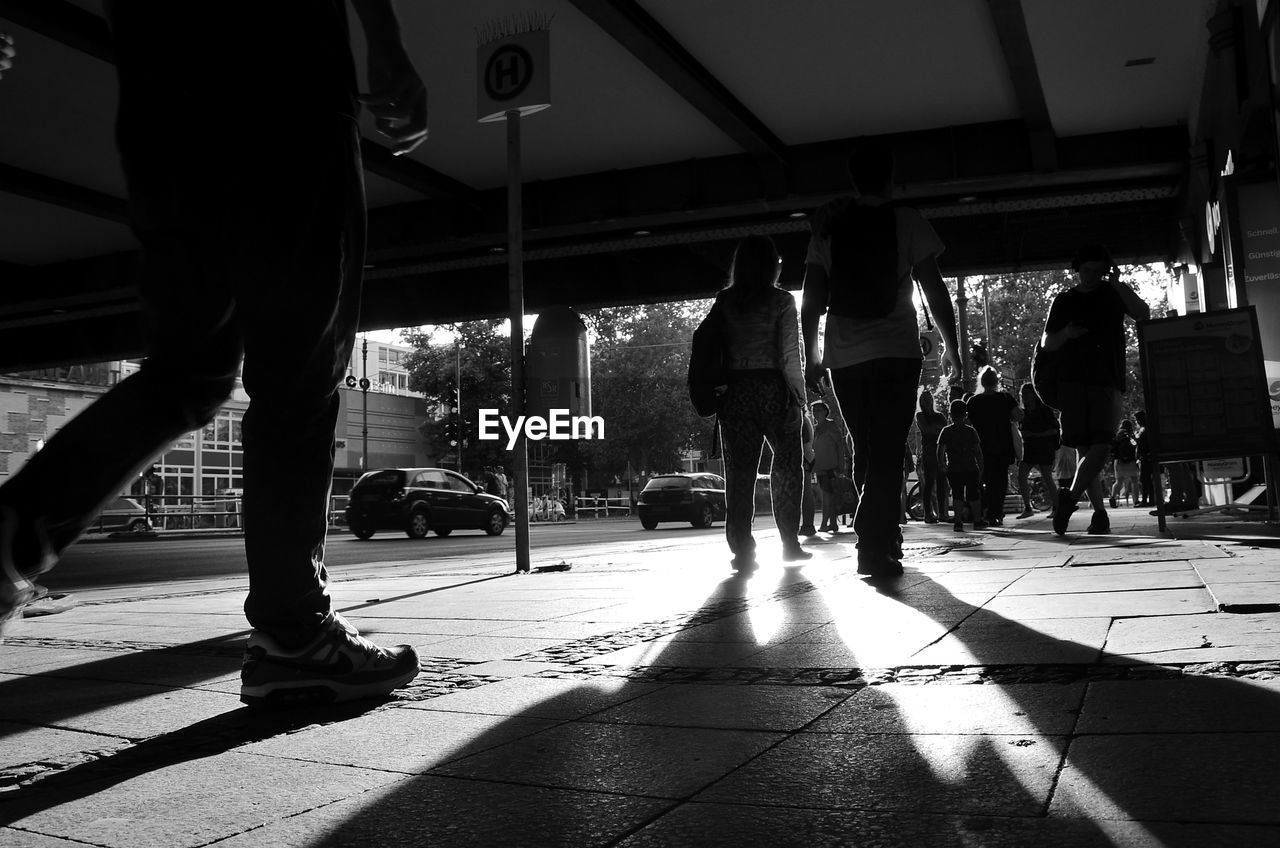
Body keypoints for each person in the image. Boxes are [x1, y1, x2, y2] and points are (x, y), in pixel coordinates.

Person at [0, 1, 430, 708]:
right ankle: (295, 635)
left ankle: (14, 535)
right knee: (300, 375)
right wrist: (386, 41)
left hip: (163, 96)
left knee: (187, 371)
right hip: (286, 81)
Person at [801, 141, 961, 577]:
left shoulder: (829, 225)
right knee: (889, 447)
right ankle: (872, 540)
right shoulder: (905, 219)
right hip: (896, 351)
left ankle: (882, 534)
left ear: (852, 179)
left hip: (844, 355)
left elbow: (811, 299)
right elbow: (934, 287)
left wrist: (812, 356)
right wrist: (952, 345)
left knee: (866, 448)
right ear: (890, 177)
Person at [715, 235, 811, 571]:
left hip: (735, 394)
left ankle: (742, 549)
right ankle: (789, 543)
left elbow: (716, 350)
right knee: (786, 466)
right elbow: (789, 355)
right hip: (774, 390)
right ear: (773, 265)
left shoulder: (724, 301)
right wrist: (800, 401)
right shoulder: (782, 301)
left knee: (739, 474)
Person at [1044, 244, 1150, 536]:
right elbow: (1047, 344)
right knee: (1086, 450)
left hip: (1106, 380)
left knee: (1101, 447)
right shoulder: (1063, 301)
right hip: (1074, 380)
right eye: (1086, 271)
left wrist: (1118, 283)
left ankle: (1069, 499)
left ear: (1106, 271)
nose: (1091, 277)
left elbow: (1143, 313)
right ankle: (1100, 515)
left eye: (1098, 271)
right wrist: (1067, 333)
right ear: (1077, 270)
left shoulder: (1113, 293)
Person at [965, 366, 1023, 526]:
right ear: (997, 381)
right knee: (1000, 481)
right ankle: (995, 513)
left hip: (981, 447)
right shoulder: (1005, 398)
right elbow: (1019, 415)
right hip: (1002, 447)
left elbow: (967, 423)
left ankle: (981, 510)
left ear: (981, 382)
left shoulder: (974, 401)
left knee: (983, 479)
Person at [937, 400, 985, 532]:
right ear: (966, 414)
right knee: (974, 495)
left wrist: (942, 464)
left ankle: (958, 522)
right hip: (970, 468)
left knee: (957, 495)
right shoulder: (971, 431)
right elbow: (978, 452)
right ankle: (977, 520)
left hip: (954, 468)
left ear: (950, 414)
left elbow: (940, 450)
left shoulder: (946, 431)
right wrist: (981, 467)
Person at [1016, 382, 1060, 518]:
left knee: (1047, 477)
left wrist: (1035, 435)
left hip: (1043, 447)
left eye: (1026, 394)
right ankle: (1028, 507)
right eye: (1022, 394)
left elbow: (1054, 430)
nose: (1024, 397)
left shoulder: (1044, 410)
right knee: (1022, 475)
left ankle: (1057, 507)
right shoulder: (1025, 412)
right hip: (1030, 448)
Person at [810, 401, 848, 534]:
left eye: (818, 410)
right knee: (828, 497)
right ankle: (833, 523)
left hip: (831, 467)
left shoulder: (830, 426)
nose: (815, 413)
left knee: (827, 497)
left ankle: (824, 524)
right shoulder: (815, 428)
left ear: (825, 411)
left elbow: (840, 446)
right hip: (820, 467)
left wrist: (841, 466)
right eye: (813, 410)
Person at [915, 388, 949, 523]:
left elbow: (944, 431)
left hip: (939, 450)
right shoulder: (920, 415)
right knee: (929, 482)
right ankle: (928, 513)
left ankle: (942, 513)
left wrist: (935, 429)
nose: (927, 402)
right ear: (921, 402)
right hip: (929, 451)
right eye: (924, 400)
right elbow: (927, 429)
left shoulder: (939, 415)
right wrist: (937, 429)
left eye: (929, 399)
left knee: (941, 482)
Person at [1110, 419, 1140, 508]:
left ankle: (1113, 498)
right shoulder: (1131, 435)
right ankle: (1136, 501)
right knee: (1134, 480)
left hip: (1119, 461)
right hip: (1131, 461)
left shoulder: (1117, 435)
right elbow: (1136, 446)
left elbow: (1112, 448)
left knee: (1118, 481)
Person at [799, 408, 818, 537]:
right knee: (806, 493)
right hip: (807, 458)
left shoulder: (802, 422)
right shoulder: (806, 421)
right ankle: (807, 524)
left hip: (804, 459)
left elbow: (805, 443)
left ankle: (808, 525)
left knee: (805, 493)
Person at [1134, 409, 1155, 507]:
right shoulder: (1145, 429)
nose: (1137, 421)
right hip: (1145, 457)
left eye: (1137, 419)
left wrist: (1135, 439)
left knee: (1144, 479)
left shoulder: (1145, 429)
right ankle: (1150, 499)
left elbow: (1143, 443)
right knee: (1147, 480)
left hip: (1146, 458)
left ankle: (1145, 500)